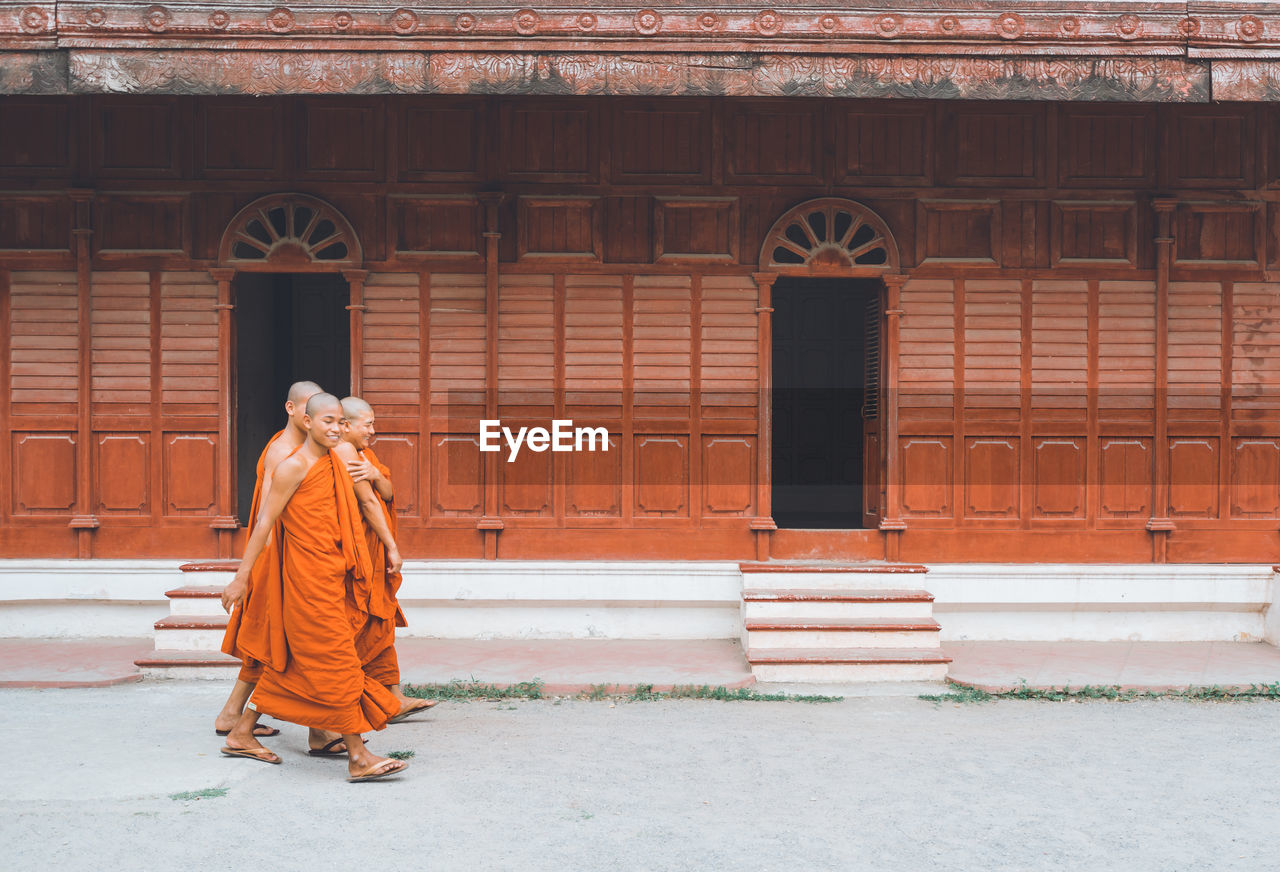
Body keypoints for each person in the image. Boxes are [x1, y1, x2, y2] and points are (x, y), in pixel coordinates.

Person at [219, 393, 407, 782]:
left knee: (297, 667)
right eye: (328, 421)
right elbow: (264, 524)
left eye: (340, 422)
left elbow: (373, 501)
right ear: (306, 421)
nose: (336, 428)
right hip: (304, 583)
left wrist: (387, 548)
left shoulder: (337, 461)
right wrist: (242, 577)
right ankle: (359, 756)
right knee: (338, 663)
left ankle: (241, 731)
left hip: (334, 575)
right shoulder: (294, 466)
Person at [214, 380, 322, 742]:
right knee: (275, 643)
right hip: (276, 558)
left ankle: (232, 714)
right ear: (291, 409)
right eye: (306, 407)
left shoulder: (304, 448)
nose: (312, 415)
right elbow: (266, 518)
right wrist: (252, 572)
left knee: (268, 642)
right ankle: (314, 728)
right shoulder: (282, 451)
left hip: (287, 556)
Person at [336, 396, 437, 722]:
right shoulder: (344, 451)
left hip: (370, 547)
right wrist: (393, 546)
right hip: (358, 551)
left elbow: (388, 492)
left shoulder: (363, 454)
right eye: (368, 425)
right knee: (356, 624)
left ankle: (393, 697)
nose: (373, 431)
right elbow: (368, 503)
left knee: (380, 621)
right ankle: (349, 703)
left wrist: (375, 473)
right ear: (347, 425)